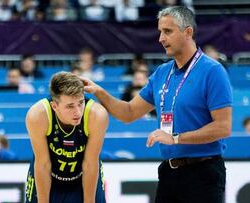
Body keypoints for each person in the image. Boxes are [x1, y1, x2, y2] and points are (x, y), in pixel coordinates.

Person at [82, 6, 232, 202]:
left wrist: (176, 138)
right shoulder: (162, 73)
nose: (161, 38)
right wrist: (99, 92)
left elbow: (223, 127)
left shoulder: (213, 71)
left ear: (188, 32)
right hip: (169, 172)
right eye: (160, 31)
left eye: (167, 31)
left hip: (203, 173)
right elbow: (128, 113)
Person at [25, 71, 108, 203]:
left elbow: (90, 164)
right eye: (70, 106)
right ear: (55, 106)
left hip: (83, 173)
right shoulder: (37, 116)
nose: (78, 112)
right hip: (49, 172)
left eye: (81, 103)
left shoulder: (97, 115)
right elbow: (43, 164)